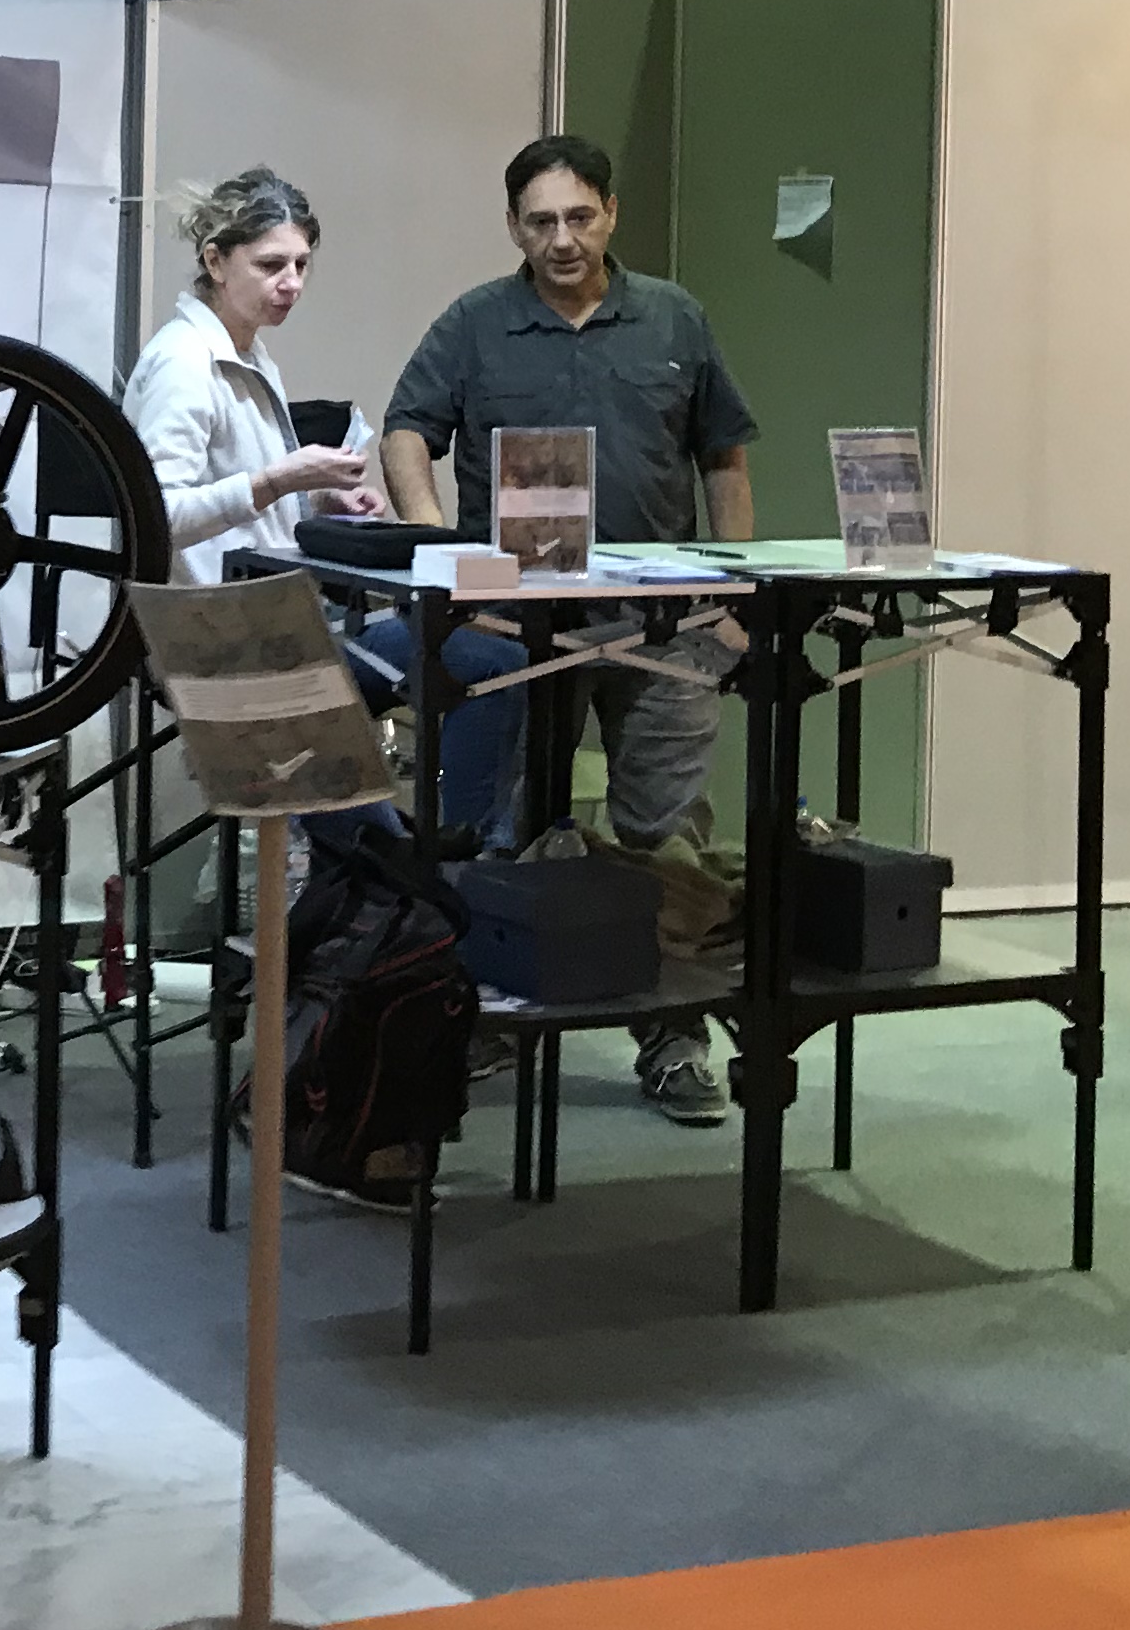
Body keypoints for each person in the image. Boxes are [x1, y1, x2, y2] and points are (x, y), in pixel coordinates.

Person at [379, 132, 757, 1126]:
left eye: (580, 217)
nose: (562, 239)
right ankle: (495, 1018)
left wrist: (733, 594)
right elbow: (407, 431)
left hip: (663, 624)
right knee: (507, 829)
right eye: (541, 221)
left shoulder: (674, 317)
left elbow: (724, 456)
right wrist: (440, 556)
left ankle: (674, 1038)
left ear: (611, 214)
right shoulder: (475, 322)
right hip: (516, 626)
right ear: (514, 227)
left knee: (663, 831)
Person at [120, 167, 385, 581]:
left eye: (301, 264)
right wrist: (278, 481)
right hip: (208, 610)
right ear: (215, 262)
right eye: (271, 265)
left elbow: (243, 502)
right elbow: (156, 517)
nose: (293, 283)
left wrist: (318, 499)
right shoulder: (184, 361)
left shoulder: (249, 353)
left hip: (258, 599)